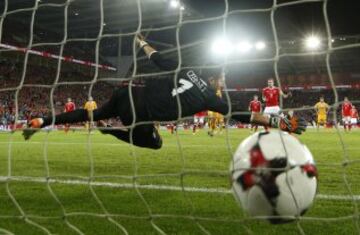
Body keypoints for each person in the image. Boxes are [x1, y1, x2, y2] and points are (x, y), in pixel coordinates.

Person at [23, 35, 306, 149]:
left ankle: (43, 121)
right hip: (143, 114)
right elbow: (243, 114)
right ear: (215, 77)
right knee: (156, 144)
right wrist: (278, 122)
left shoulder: (185, 69)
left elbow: (156, 57)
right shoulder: (211, 97)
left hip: (128, 94)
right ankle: (115, 132)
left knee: (91, 113)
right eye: (222, 75)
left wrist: (141, 42)